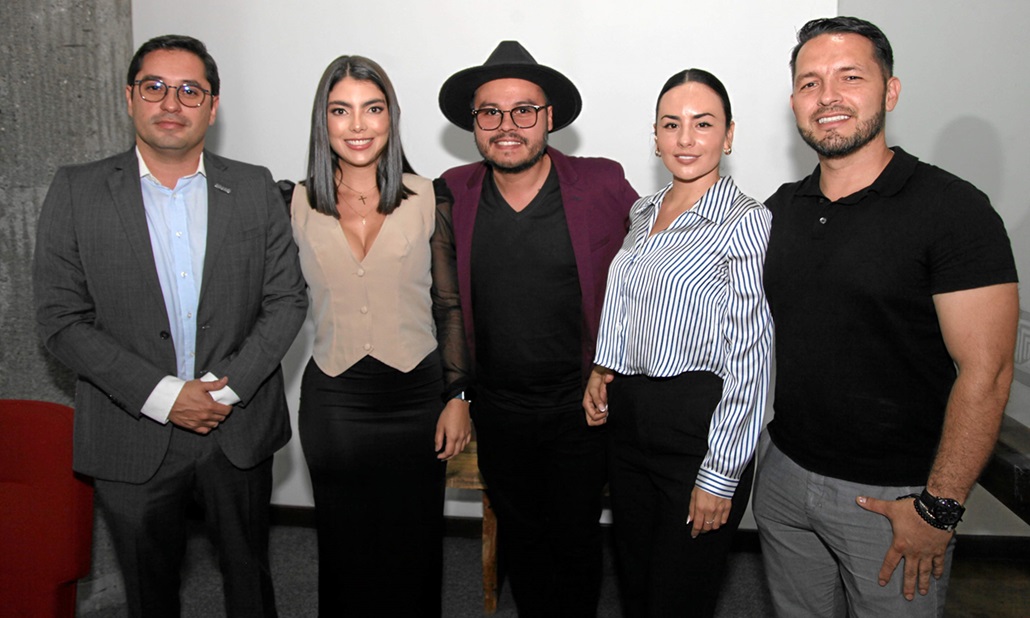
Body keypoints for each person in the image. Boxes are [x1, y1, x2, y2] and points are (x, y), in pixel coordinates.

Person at [33, 34, 307, 617]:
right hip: (129, 434)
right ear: (130, 98)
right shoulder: (76, 191)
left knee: (250, 582)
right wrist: (164, 396)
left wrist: (222, 391)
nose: (171, 103)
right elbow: (61, 319)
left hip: (237, 427)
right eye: (154, 87)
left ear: (212, 106)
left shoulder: (255, 185)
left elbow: (286, 300)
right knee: (147, 592)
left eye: (190, 90)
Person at [754, 16, 1019, 617]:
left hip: (893, 500)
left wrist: (940, 507)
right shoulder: (779, 211)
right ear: (794, 99)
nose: (828, 98)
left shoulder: (954, 210)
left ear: (890, 92)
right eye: (809, 82)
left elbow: (989, 371)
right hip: (784, 479)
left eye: (850, 77)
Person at [436, 41, 637, 617]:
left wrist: (616, 364)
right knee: (522, 545)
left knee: (575, 542)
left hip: (582, 407)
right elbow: (440, 297)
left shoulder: (600, 184)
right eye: (490, 112)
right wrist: (458, 393)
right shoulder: (454, 190)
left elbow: (650, 268)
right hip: (498, 410)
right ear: (473, 123)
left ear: (549, 118)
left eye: (524, 109)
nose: (507, 125)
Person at [584, 69, 772, 618]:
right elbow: (630, 303)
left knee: (679, 598)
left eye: (703, 123)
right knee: (637, 587)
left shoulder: (748, 222)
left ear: (729, 136)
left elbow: (751, 359)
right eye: (672, 125)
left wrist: (719, 475)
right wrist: (604, 367)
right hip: (628, 427)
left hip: (698, 430)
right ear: (657, 135)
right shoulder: (643, 212)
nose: (686, 139)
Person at [290, 55, 470, 617]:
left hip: (416, 402)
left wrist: (458, 396)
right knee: (345, 551)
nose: (359, 124)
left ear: (391, 117)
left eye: (373, 108)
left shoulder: (428, 197)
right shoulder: (290, 201)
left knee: (413, 549)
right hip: (335, 404)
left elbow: (449, 305)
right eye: (341, 111)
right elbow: (272, 300)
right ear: (324, 122)